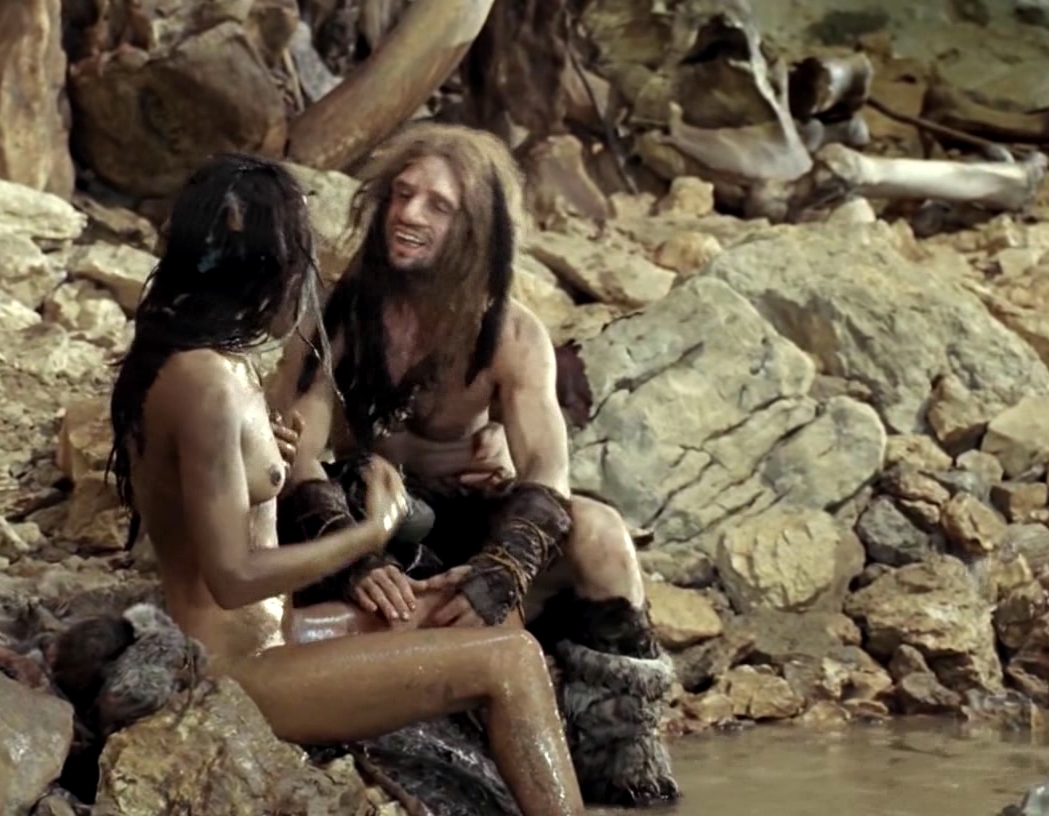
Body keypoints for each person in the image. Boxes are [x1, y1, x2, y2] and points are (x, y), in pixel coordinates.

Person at [104, 152, 587, 816]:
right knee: (513, 661)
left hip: (281, 632)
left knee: (475, 612)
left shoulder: (209, 362)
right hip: (237, 670)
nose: (308, 283)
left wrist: (265, 453)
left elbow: (205, 472)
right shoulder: (205, 383)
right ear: (269, 268)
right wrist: (369, 537)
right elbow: (232, 578)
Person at [269, 123, 681, 808]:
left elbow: (546, 466)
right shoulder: (341, 312)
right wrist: (354, 556)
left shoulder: (510, 331)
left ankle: (619, 756)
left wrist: (505, 566)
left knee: (604, 534)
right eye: (402, 194)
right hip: (375, 522)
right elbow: (297, 452)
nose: (408, 214)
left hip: (469, 522)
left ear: (476, 228)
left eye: (438, 205)